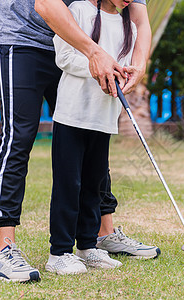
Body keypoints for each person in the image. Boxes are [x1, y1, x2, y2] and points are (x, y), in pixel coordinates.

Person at [0, 0, 159, 283]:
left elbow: (140, 20)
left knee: (90, 138)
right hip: (23, 36)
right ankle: (3, 248)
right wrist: (94, 52)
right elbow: (45, 4)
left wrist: (137, 67)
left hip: (76, 42)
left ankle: (100, 236)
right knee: (20, 137)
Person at [45, 0, 141, 275]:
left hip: (103, 118)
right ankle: (59, 252)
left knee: (94, 185)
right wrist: (96, 66)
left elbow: (122, 70)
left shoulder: (130, 29)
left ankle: (87, 248)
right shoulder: (79, 11)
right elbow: (63, 57)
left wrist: (123, 77)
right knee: (68, 184)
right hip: (72, 115)